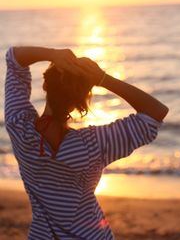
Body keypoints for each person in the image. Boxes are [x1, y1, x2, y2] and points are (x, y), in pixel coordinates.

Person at [5, 46, 168, 240]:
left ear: (45, 86)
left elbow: (14, 58)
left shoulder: (20, 127)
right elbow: (155, 112)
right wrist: (102, 79)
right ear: (81, 100)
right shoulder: (94, 144)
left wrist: (53, 55)